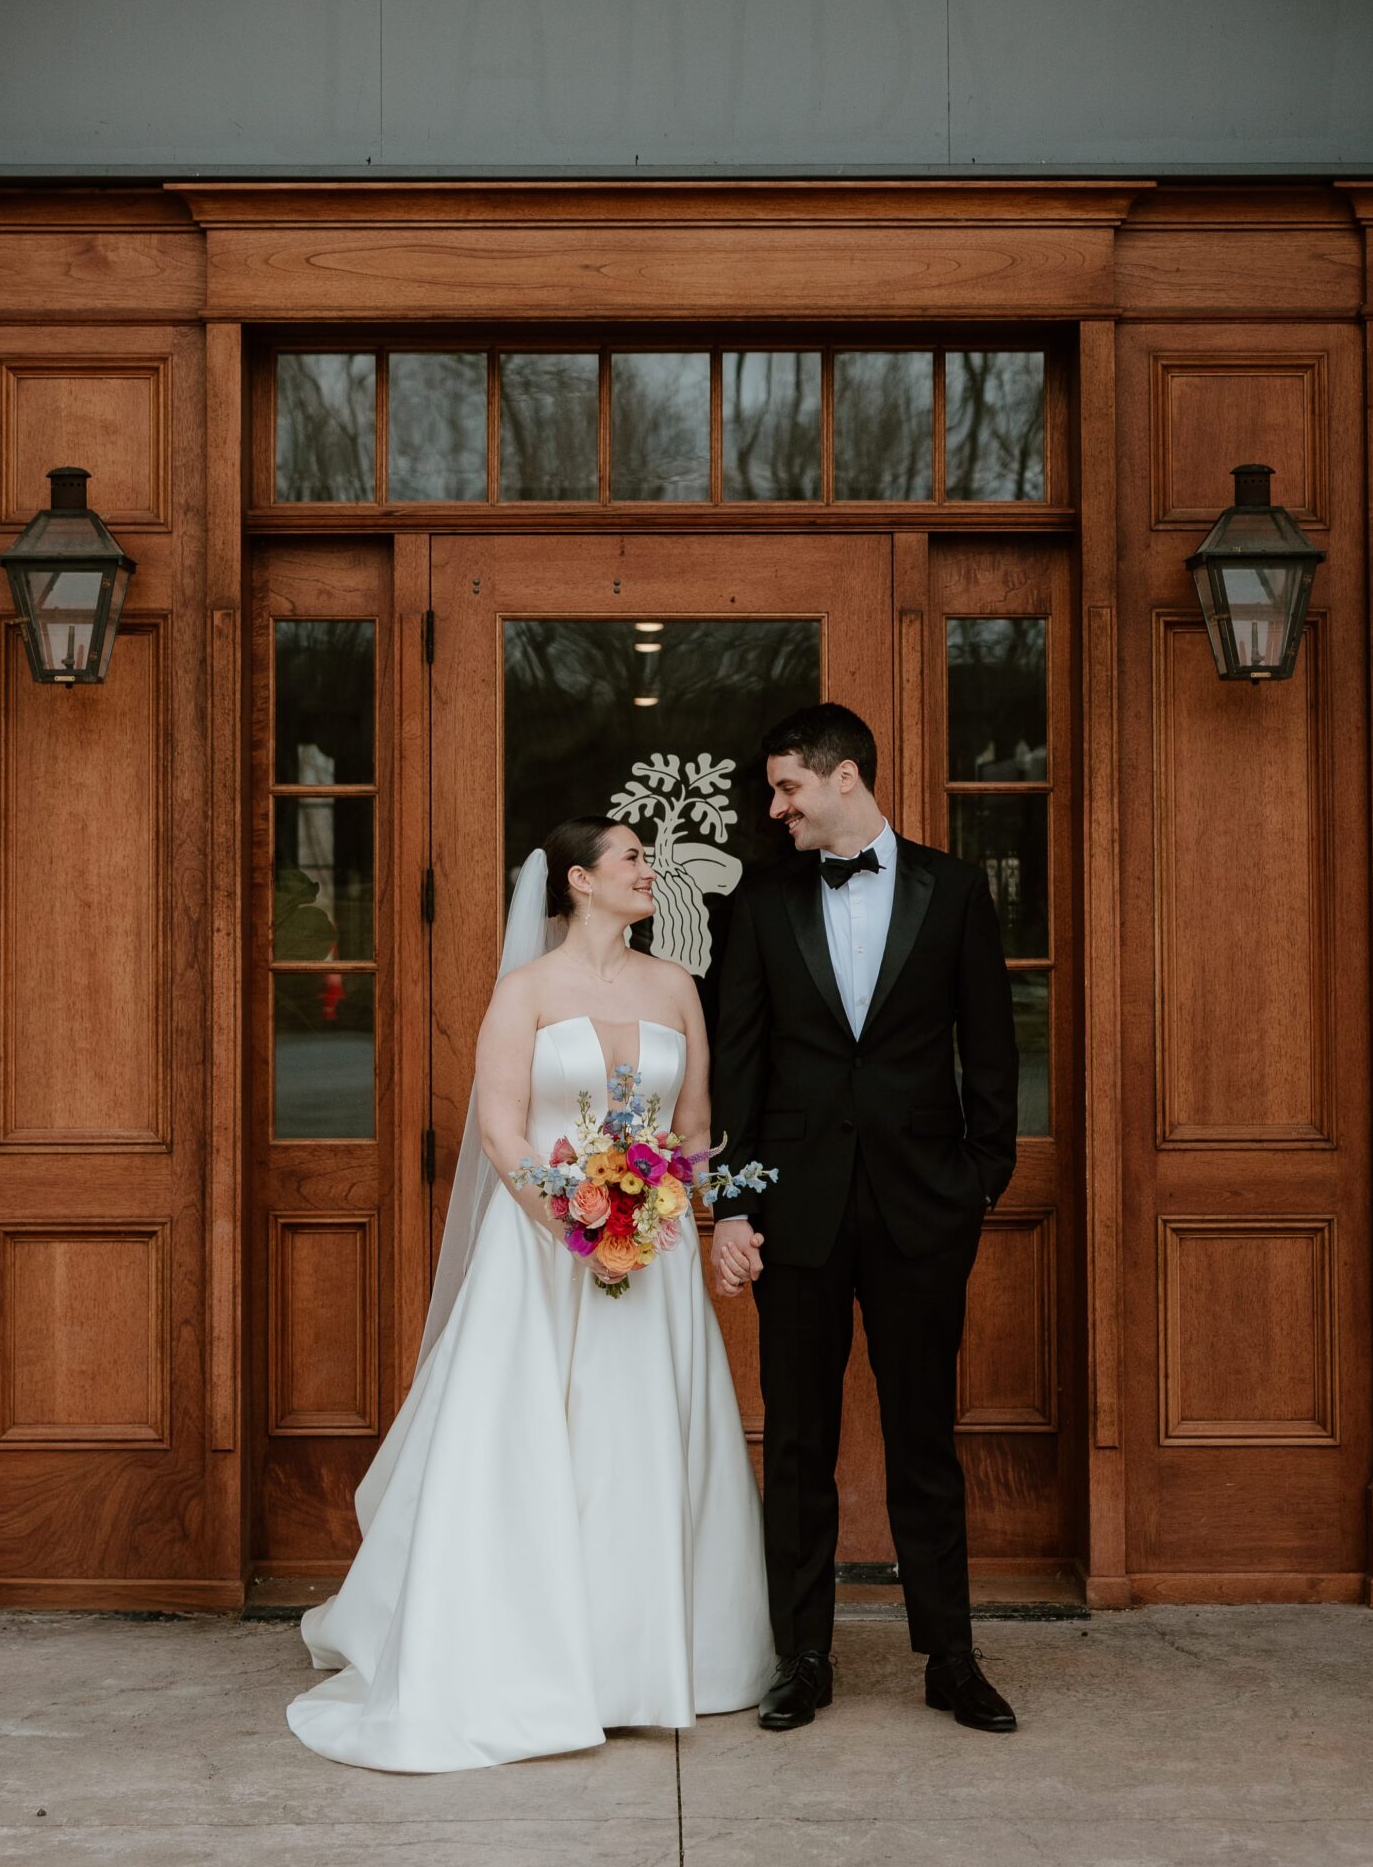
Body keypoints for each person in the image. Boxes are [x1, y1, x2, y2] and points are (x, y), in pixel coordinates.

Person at [286, 817, 773, 1773]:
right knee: (541, 1440)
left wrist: (712, 1221)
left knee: (642, 1439)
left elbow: (696, 1125)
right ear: (582, 881)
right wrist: (576, 1224)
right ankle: (541, 1656)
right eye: (633, 858)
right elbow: (504, 1131)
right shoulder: (526, 992)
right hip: (548, 1251)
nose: (649, 872)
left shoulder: (677, 986)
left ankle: (653, 1659)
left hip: (658, 1245)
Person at [710, 702, 1020, 1734]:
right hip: (793, 1212)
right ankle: (801, 1654)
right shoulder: (759, 900)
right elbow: (739, 1064)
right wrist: (734, 1200)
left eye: (787, 785)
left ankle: (951, 1654)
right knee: (796, 1437)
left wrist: (978, 1178)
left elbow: (991, 1045)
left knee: (922, 1434)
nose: (775, 805)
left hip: (920, 1209)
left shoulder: (953, 889)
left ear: (846, 777)